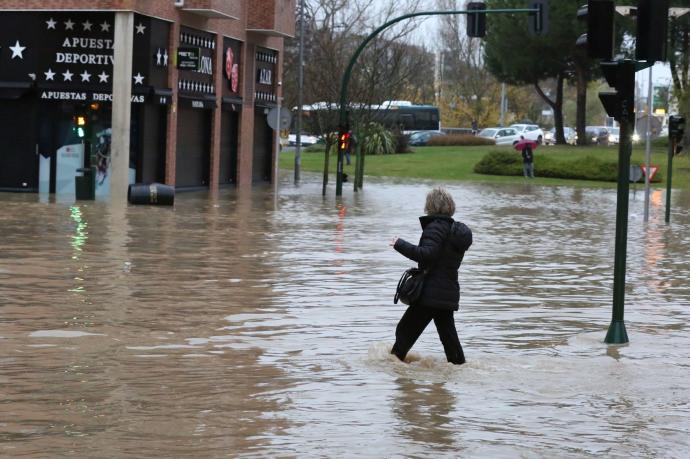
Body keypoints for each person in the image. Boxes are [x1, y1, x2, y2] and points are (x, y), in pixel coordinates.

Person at [389, 187, 473, 365]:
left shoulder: (435, 227)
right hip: (447, 293)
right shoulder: (454, 231)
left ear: (431, 205)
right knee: (450, 340)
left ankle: (393, 372)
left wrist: (399, 244)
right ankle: (460, 373)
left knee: (404, 332)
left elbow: (426, 254)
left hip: (429, 294)